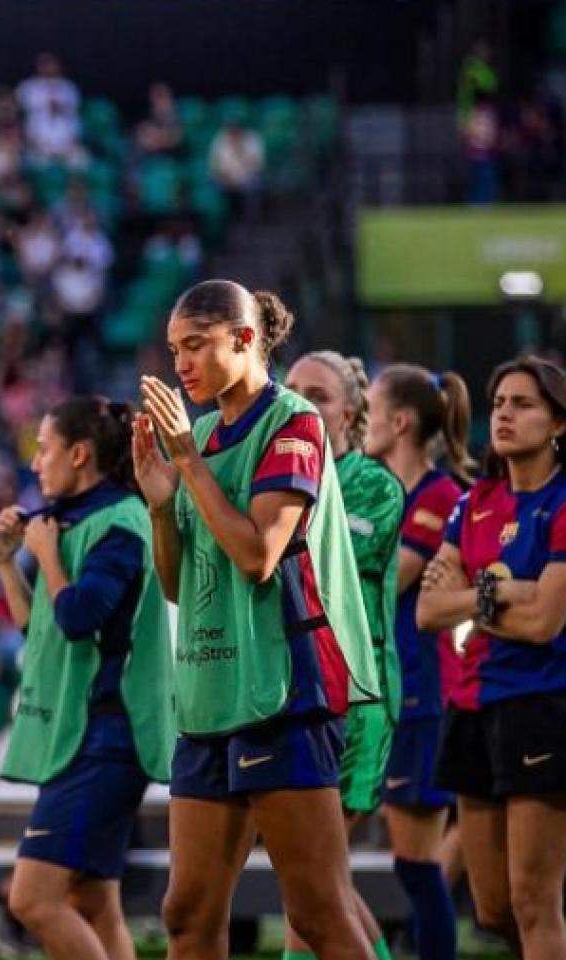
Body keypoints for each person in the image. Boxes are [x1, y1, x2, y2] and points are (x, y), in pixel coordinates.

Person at [134, 280, 381, 960]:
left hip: (285, 688)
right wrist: (161, 505)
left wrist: (186, 461)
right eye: (174, 349)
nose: (179, 365)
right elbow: (181, 585)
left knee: (320, 916)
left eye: (195, 346)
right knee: (186, 914)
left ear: (244, 340)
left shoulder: (293, 422)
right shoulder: (204, 430)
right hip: (213, 693)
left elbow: (257, 556)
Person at [0, 396, 174, 960]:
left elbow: (77, 617)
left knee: (32, 900)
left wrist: (45, 554)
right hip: (86, 735)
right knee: (94, 902)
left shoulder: (121, 522)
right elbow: (38, 628)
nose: (36, 463)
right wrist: (5, 561)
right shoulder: (76, 523)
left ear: (80, 453)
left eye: (44, 450)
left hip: (105, 737)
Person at [418, 356, 566, 958]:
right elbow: (428, 612)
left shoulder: (561, 505)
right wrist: (503, 589)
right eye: (499, 402)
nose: (504, 414)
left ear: (559, 424)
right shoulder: (474, 501)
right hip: (470, 705)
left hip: (539, 706)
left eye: (523, 403)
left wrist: (469, 599)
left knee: (535, 901)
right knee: (492, 908)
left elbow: (545, 620)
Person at [282, 351, 406, 960]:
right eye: (294, 390)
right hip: (297, 701)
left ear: (351, 414)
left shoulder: (375, 488)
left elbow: (320, 571)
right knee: (322, 891)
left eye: (320, 395)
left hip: (358, 701)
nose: (302, 403)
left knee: (308, 896)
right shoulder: (276, 479)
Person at [364, 363, 474, 960]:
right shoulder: (388, 492)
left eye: (372, 412)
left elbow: (389, 580)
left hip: (421, 693)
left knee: (417, 866)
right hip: (387, 691)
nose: (363, 425)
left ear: (399, 421)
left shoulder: (439, 497)